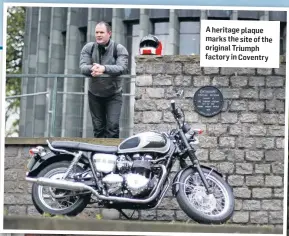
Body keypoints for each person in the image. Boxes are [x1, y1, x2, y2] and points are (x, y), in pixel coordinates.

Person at [79, 21, 129, 138]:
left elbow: (122, 68)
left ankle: (112, 154)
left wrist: (103, 68)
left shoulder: (119, 49)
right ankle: (99, 155)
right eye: (97, 32)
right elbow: (82, 67)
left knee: (113, 127)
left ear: (109, 33)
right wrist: (93, 68)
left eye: (102, 32)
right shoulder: (89, 47)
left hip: (113, 94)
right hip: (94, 94)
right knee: (98, 128)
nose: (98, 35)